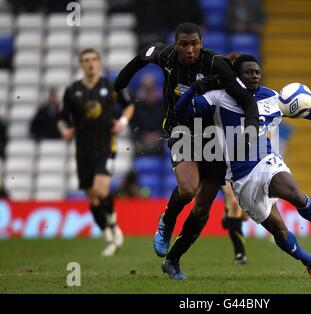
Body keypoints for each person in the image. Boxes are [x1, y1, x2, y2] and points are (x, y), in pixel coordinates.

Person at [173, 55, 311, 280]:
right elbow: (181, 110)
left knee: (295, 194)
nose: (255, 76)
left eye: (257, 72)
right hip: (241, 180)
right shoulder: (217, 98)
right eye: (249, 72)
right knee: (279, 230)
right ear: (236, 76)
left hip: (266, 161)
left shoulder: (270, 97)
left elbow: (301, 110)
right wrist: (194, 89)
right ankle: (308, 261)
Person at [114, 23, 260, 262]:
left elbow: (246, 98)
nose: (189, 49)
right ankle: (167, 222)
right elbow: (141, 58)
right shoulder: (165, 55)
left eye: (194, 44)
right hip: (179, 129)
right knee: (189, 189)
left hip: (212, 136)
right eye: (184, 44)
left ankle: (174, 259)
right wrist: (119, 84)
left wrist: (252, 127)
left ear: (201, 44)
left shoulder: (215, 64)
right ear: (176, 45)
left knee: (202, 210)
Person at [58, 48, 135, 256]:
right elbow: (62, 117)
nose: (90, 63)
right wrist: (65, 130)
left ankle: (114, 226)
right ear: (81, 64)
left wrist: (122, 122)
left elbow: (129, 106)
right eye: (86, 60)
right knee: (92, 198)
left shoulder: (110, 87)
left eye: (94, 60)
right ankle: (109, 234)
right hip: (82, 150)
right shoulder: (72, 90)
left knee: (101, 191)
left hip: (105, 146)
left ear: (99, 63)